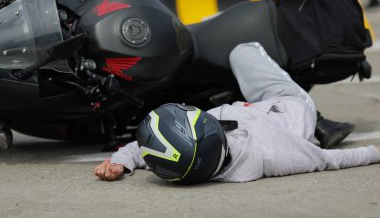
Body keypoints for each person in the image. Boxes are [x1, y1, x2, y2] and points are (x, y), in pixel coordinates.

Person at [94, 42, 380, 183]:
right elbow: (332, 160)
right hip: (287, 103)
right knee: (242, 50)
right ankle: (318, 119)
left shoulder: (191, 155)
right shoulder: (275, 155)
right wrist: (375, 152)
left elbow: (149, 147)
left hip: (253, 110)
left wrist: (122, 162)